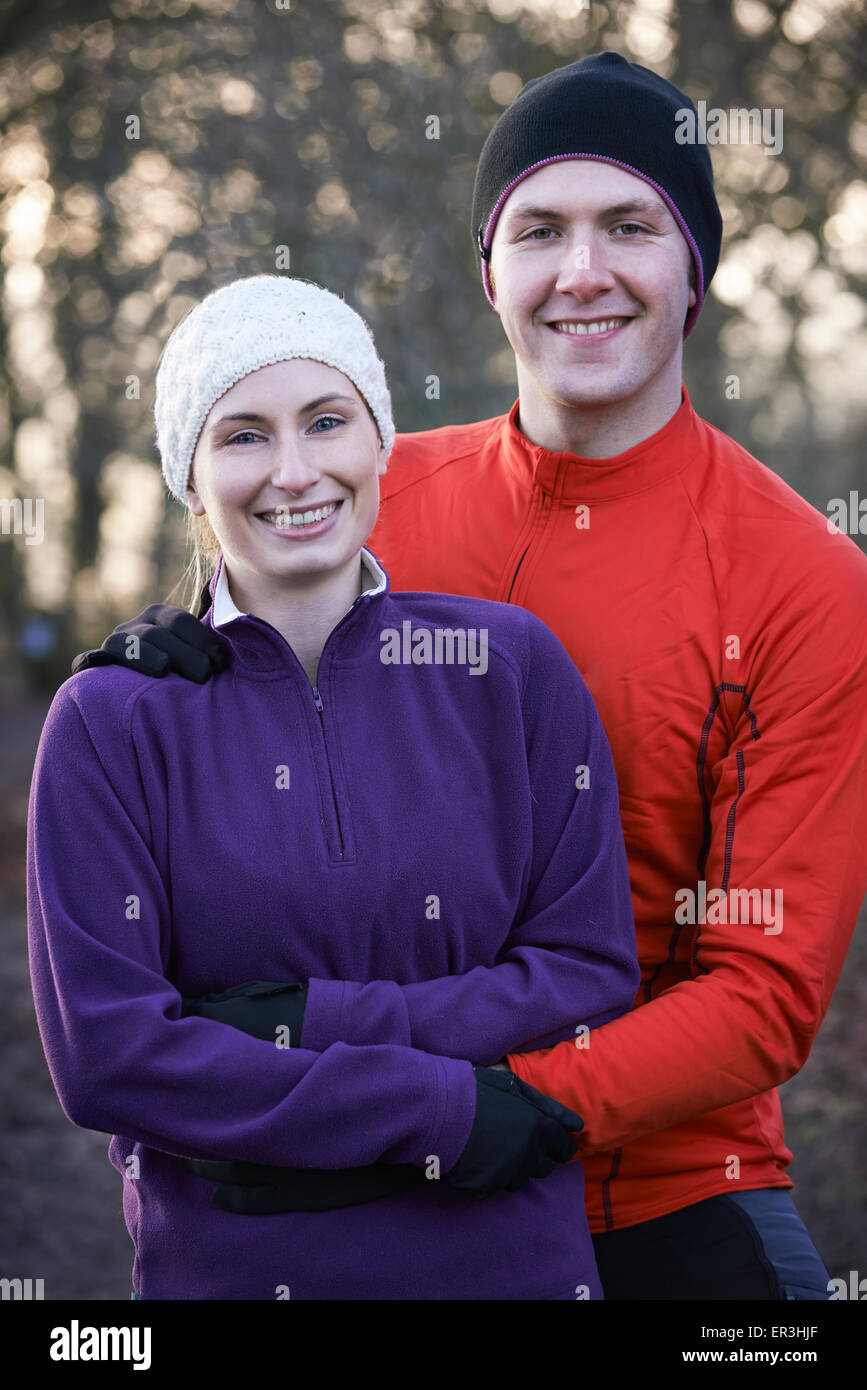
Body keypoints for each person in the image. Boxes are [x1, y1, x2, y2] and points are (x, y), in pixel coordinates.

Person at [73, 53, 867, 1301]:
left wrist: (509, 1106)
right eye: (541, 229)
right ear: (489, 270)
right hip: (361, 1173)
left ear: (695, 273)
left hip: (670, 1180)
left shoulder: (801, 580)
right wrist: (164, 647)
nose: (583, 272)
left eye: (631, 227)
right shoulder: (363, 487)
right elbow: (248, 657)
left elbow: (763, 992)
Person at [27, 273, 640, 1301]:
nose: (295, 470)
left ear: (380, 440)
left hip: (509, 1265)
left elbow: (585, 972)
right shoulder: (108, 722)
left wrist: (294, 1026)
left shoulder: (510, 667)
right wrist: (437, 1111)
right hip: (237, 1274)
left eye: (326, 420)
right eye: (244, 435)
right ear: (190, 476)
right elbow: (111, 1056)